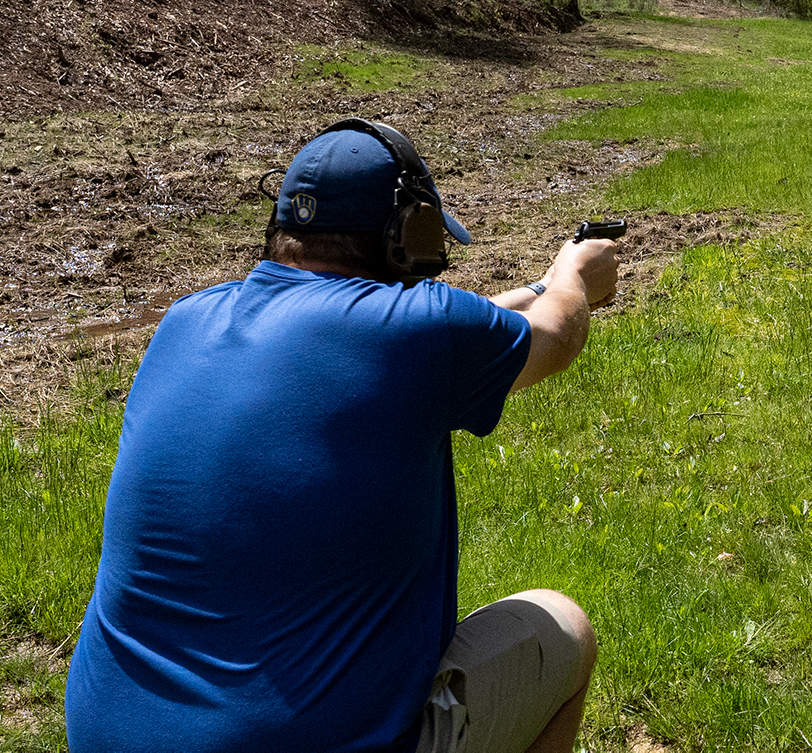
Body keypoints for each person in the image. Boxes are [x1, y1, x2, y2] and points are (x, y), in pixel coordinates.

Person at [63, 118, 619, 753]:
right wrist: (574, 275)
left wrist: (533, 289)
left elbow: (396, 342)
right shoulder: (422, 334)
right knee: (563, 629)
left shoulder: (185, 321)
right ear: (408, 232)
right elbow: (557, 337)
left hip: (107, 735)